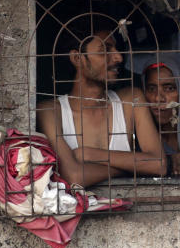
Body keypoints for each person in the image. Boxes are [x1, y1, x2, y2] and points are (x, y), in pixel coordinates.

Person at [37, 16, 166, 186]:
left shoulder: (131, 100)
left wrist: (88, 154)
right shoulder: (49, 111)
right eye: (105, 50)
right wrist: (134, 167)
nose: (118, 57)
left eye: (116, 49)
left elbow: (159, 164)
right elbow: (75, 177)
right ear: (77, 59)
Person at [134, 54, 180, 177]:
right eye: (151, 89)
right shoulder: (138, 139)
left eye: (169, 88)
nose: (158, 98)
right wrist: (169, 161)